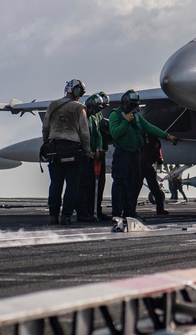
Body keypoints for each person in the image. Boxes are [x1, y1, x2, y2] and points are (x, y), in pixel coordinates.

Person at [108, 90, 178, 219]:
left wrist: (167, 136)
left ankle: (130, 212)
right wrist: (125, 122)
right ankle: (116, 213)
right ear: (125, 103)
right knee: (120, 182)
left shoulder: (137, 116)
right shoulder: (115, 115)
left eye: (135, 105)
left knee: (133, 184)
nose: (133, 107)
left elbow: (149, 127)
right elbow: (115, 133)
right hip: (122, 153)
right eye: (131, 104)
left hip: (135, 154)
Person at [42, 79, 92, 225]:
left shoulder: (53, 104)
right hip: (73, 149)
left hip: (55, 149)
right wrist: (87, 150)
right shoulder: (80, 108)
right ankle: (67, 216)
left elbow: (45, 127)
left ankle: (53, 215)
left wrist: (47, 143)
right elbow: (84, 133)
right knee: (72, 184)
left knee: (55, 183)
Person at [78, 92, 109, 222]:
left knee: (99, 184)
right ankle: (84, 212)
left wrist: (100, 150)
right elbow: (85, 136)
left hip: (96, 155)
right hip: (84, 156)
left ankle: (96, 210)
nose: (97, 111)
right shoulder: (82, 116)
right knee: (84, 185)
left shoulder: (97, 116)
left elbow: (98, 135)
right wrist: (88, 152)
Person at [140, 134, 169, 216]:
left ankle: (130, 210)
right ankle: (160, 209)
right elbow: (157, 153)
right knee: (154, 188)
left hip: (143, 166)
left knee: (136, 189)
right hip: (146, 166)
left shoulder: (142, 138)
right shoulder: (153, 139)